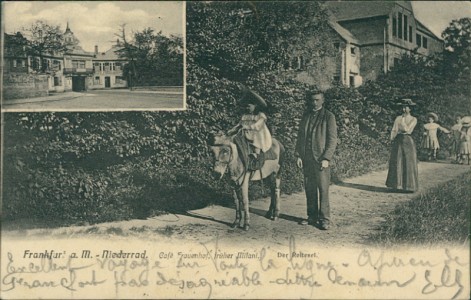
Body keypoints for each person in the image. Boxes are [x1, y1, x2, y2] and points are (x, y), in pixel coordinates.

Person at [295, 91, 338, 230]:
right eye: (312, 100)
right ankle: (312, 216)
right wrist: (298, 155)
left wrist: (326, 158)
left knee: (323, 188)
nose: (314, 103)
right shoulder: (306, 115)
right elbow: (300, 137)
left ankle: (325, 219)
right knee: (310, 188)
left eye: (317, 100)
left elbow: (332, 140)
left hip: (321, 159)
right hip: (307, 158)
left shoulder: (329, 116)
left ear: (323, 100)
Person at [229, 86, 272, 159]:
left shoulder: (260, 116)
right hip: (246, 133)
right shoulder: (245, 116)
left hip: (258, 133)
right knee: (235, 137)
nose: (247, 108)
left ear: (255, 106)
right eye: (246, 107)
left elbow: (257, 126)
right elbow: (239, 124)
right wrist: (232, 130)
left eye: (249, 106)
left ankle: (256, 153)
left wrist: (248, 127)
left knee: (257, 136)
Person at [385, 98, 419, 192]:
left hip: (408, 140)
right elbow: (394, 129)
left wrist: (403, 120)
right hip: (398, 140)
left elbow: (407, 129)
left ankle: (409, 186)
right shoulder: (398, 118)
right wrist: (391, 138)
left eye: (406, 108)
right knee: (397, 160)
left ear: (410, 109)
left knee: (408, 162)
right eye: (403, 107)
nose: (403, 110)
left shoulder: (413, 119)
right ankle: (396, 185)